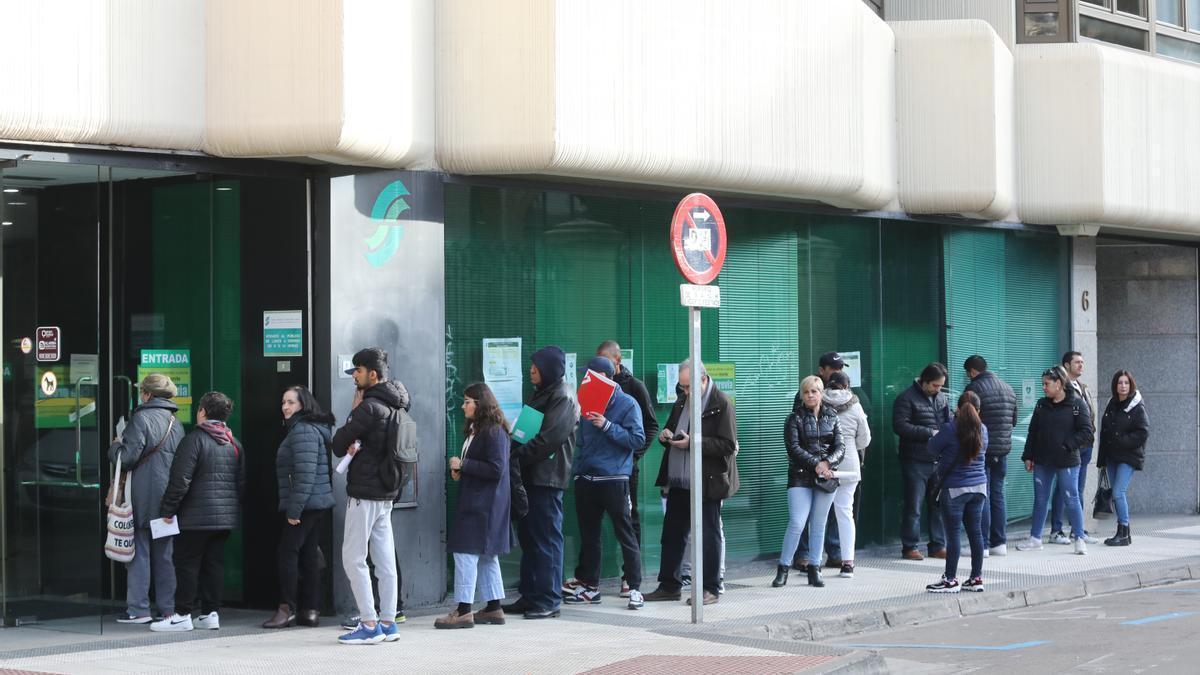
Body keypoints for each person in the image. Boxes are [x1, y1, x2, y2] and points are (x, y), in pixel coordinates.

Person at [330, 347, 410, 644]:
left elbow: (338, 443)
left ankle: (368, 623)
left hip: (364, 493)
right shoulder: (397, 406)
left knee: (353, 558)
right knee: (385, 560)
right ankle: (388, 622)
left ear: (372, 374)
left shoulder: (369, 407)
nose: (354, 377)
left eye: (358, 371)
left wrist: (353, 412)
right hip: (387, 493)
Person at [645, 360, 739, 606]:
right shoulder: (682, 400)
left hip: (708, 479)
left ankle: (711, 588)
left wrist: (694, 442)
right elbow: (672, 429)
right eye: (682, 387)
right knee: (672, 533)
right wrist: (666, 437)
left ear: (703, 379)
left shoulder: (722, 403)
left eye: (688, 387)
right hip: (679, 478)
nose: (685, 392)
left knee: (709, 534)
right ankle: (669, 585)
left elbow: (728, 445)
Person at [152, 391, 245, 633]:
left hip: (195, 518)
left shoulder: (194, 440)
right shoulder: (234, 443)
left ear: (202, 411)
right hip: (224, 519)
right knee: (213, 565)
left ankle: (182, 614)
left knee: (187, 564)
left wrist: (168, 509)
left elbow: (180, 480)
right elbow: (240, 483)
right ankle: (209, 613)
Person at [562, 356, 646, 609]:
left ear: (603, 377)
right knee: (589, 536)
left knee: (625, 533)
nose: (584, 379)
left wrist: (608, 425)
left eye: (589, 375)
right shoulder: (585, 402)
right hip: (587, 478)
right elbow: (583, 441)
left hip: (614, 479)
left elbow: (638, 439)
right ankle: (590, 586)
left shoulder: (627, 403)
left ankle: (634, 588)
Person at [503, 346, 579, 620]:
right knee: (531, 539)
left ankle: (548, 599)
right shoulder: (543, 394)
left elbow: (549, 439)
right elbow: (526, 431)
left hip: (546, 478)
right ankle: (531, 594)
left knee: (546, 539)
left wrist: (515, 457)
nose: (531, 370)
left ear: (548, 368)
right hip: (530, 477)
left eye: (536, 366)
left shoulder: (563, 396)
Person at [109, 374, 185, 625]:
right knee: (165, 556)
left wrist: (116, 446)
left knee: (138, 552)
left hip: (142, 495)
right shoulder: (177, 422)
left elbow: (128, 458)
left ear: (148, 395)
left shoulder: (140, 418)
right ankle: (168, 610)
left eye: (142, 391)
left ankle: (139, 610)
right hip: (168, 498)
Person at [439, 383, 512, 629]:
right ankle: (493, 608)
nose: (463, 405)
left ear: (479, 404)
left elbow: (496, 469)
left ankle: (463, 610)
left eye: (467, 401)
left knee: (465, 553)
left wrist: (464, 465)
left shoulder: (492, 432)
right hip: (482, 503)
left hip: (484, 505)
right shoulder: (480, 430)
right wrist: (461, 469)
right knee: (486, 557)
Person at [263, 386, 336, 629]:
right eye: (283, 402)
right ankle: (310, 610)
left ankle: (287, 608)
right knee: (308, 555)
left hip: (306, 504)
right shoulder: (306, 428)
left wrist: (294, 511)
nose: (285, 407)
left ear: (303, 405)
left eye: (291, 402)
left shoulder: (302, 431)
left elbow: (305, 475)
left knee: (287, 553)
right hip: (315, 503)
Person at [595, 340, 658, 598]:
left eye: (604, 360)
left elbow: (651, 426)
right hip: (599, 468)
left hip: (625, 468)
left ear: (617, 361)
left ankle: (630, 578)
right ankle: (592, 578)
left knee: (629, 520)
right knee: (599, 522)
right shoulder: (595, 387)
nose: (599, 365)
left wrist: (634, 457)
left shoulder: (634, 387)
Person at [773, 376, 844, 589]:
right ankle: (783, 568)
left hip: (825, 477)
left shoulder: (833, 416)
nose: (811, 395)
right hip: (800, 476)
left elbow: (840, 447)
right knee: (797, 522)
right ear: (802, 395)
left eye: (814, 391)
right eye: (806, 392)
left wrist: (828, 463)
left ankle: (815, 568)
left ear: (821, 393)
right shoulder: (793, 418)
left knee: (819, 524)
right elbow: (793, 449)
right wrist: (817, 464)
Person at [1016, 365, 1093, 555]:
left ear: (1059, 384)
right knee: (1040, 500)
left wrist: (1067, 444)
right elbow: (1032, 432)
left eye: (1046, 384)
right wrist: (1028, 456)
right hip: (1043, 461)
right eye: (1043, 384)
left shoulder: (1076, 404)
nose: (1043, 387)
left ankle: (1079, 538)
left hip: (1067, 461)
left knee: (1071, 498)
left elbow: (1087, 432)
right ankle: (1035, 538)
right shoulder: (1042, 404)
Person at [925, 391, 989, 593]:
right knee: (976, 533)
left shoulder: (950, 428)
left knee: (953, 536)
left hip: (954, 489)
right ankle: (976, 578)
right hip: (979, 487)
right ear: (979, 410)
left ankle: (951, 579)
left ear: (958, 409)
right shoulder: (983, 429)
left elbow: (931, 448)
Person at [794, 352, 849, 570]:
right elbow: (796, 437)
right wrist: (815, 462)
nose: (837, 372)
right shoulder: (807, 394)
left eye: (840, 369)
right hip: (807, 465)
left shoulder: (847, 393)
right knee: (804, 514)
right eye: (833, 369)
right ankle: (804, 555)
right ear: (822, 370)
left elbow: (841, 439)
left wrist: (828, 461)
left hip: (832, 463)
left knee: (832, 511)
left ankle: (833, 553)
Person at [893, 362, 950, 560]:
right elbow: (900, 426)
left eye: (941, 386)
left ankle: (938, 545)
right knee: (914, 506)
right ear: (924, 381)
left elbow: (947, 421)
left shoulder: (941, 398)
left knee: (938, 505)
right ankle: (909, 546)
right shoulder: (906, 398)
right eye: (935, 385)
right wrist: (929, 433)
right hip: (915, 459)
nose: (938, 389)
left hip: (937, 460)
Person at [963, 355, 1017, 556]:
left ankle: (982, 545)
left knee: (981, 495)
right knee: (998, 494)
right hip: (1002, 451)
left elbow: (967, 421)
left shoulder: (974, 389)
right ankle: (999, 543)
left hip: (981, 450)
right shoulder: (1008, 388)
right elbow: (1014, 420)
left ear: (972, 372)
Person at [822, 371, 870, 578]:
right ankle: (847, 563)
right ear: (847, 386)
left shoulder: (820, 404)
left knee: (819, 515)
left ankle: (814, 561)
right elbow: (865, 439)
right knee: (845, 513)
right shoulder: (856, 405)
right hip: (849, 463)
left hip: (824, 464)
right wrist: (851, 446)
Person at [1049, 351, 1100, 545]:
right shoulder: (1062, 389)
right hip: (1072, 446)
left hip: (1085, 444)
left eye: (1082, 362)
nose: (1081, 365)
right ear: (1066, 365)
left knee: (1078, 489)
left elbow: (1089, 415)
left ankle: (1076, 530)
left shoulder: (1082, 387)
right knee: (1063, 489)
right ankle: (1056, 529)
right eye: (1077, 362)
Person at [1097, 370, 1149, 547]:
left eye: (1126, 383)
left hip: (1128, 456)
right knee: (1115, 493)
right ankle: (1122, 533)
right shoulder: (1112, 403)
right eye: (1120, 383)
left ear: (1131, 384)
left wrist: (1122, 441)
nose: (1123, 386)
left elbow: (1142, 432)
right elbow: (1105, 432)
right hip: (1112, 456)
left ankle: (1124, 531)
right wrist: (1102, 459)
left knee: (1119, 492)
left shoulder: (1136, 406)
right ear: (1115, 385)